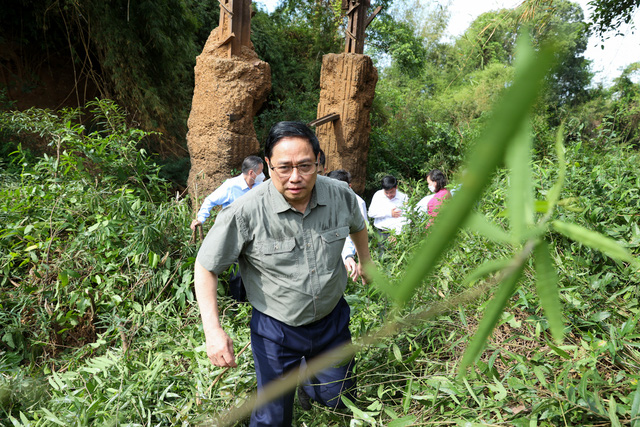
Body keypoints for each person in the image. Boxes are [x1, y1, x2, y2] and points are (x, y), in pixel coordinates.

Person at [194, 121, 371, 427]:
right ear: (267, 165)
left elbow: (357, 225)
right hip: (277, 330)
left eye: (305, 166)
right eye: (284, 167)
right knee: (272, 417)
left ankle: (310, 384)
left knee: (337, 396)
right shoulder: (245, 211)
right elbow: (206, 266)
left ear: (319, 160)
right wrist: (213, 332)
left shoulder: (340, 195)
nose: (295, 177)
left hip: (332, 320)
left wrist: (366, 261)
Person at [190, 155, 264, 302]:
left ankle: (252, 300)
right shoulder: (231, 186)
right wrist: (201, 219)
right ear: (251, 172)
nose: (263, 175)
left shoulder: (259, 186)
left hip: (255, 234)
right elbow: (210, 200)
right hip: (235, 233)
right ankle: (237, 304)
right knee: (237, 272)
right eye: (261, 171)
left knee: (254, 268)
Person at [326, 169, 368, 279]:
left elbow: (358, 230)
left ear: (349, 186)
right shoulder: (325, 199)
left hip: (349, 252)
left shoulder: (357, 202)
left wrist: (349, 255)